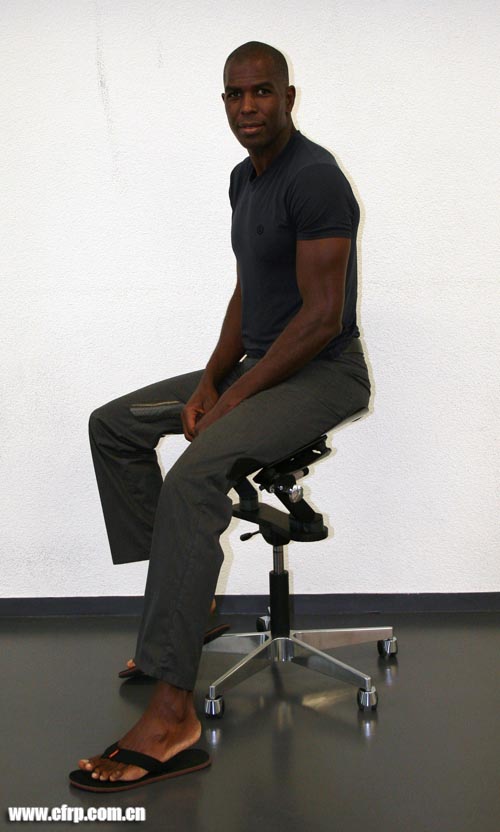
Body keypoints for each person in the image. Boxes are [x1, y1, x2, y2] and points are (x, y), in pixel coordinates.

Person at [70, 41, 371, 791]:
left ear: (288, 97)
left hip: (321, 375)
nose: (248, 107)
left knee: (193, 479)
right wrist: (209, 382)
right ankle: (187, 611)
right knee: (115, 426)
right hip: (257, 367)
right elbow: (249, 291)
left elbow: (320, 319)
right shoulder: (245, 179)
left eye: (262, 92)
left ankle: (172, 718)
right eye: (235, 95)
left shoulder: (316, 178)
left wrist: (233, 399)